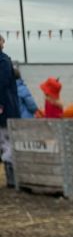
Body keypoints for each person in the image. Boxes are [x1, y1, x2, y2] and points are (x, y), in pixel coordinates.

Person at [0, 34, 20, 188]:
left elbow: (2, 83)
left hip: (4, 108)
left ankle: (12, 178)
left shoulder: (4, 61)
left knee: (6, 141)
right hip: (5, 106)